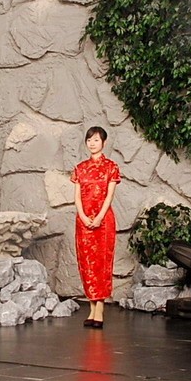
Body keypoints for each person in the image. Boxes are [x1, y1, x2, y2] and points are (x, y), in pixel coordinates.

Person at [71, 126, 121, 329]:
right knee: (87, 264)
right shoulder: (80, 168)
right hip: (83, 222)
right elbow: (77, 197)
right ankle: (92, 308)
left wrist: (99, 217)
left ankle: (99, 307)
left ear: (104, 143)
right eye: (89, 140)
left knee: (102, 263)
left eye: (96, 140)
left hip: (104, 221)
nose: (92, 143)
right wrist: (83, 217)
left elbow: (109, 196)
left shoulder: (111, 167)